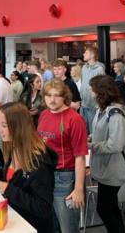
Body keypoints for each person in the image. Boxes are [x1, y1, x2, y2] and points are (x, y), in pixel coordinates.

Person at [0, 102, 57, 233]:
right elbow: (14, 177)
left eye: (4, 125)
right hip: (14, 222)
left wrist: (7, 189)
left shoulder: (39, 163)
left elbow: (43, 207)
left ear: (18, 127)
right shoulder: (12, 148)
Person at [37, 79, 87, 233]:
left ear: (64, 96)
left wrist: (78, 189)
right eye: (48, 95)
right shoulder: (44, 114)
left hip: (65, 179)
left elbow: (80, 157)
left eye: (57, 95)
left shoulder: (74, 119)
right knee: (52, 225)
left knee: (68, 228)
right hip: (45, 175)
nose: (52, 100)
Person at [88, 75, 125, 233]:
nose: (90, 92)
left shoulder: (116, 114)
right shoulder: (102, 110)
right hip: (105, 167)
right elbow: (103, 132)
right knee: (111, 209)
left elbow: (116, 144)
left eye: (92, 89)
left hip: (113, 169)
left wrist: (91, 145)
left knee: (104, 210)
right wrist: (92, 137)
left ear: (101, 92)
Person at [80, 46, 105, 134]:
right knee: (83, 130)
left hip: (94, 106)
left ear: (92, 55)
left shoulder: (99, 69)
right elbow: (83, 84)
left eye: (86, 52)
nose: (83, 54)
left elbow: (102, 88)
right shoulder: (84, 68)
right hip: (83, 105)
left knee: (93, 131)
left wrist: (99, 104)